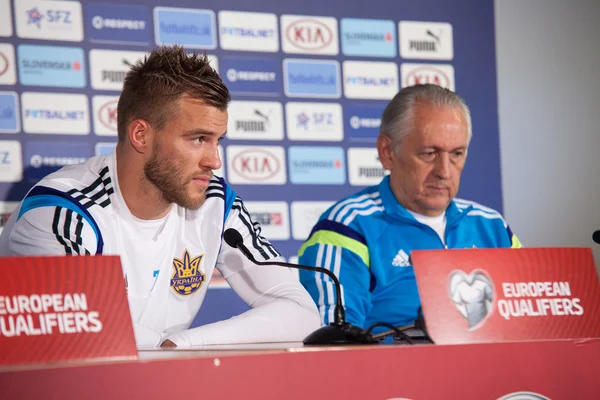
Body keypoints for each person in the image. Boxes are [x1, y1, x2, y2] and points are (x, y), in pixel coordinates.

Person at [0, 45, 320, 349]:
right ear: (141, 135)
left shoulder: (215, 203)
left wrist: (181, 345)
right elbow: (81, 330)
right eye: (198, 139)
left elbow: (300, 312)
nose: (214, 161)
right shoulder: (62, 211)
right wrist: (171, 350)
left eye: (217, 140)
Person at [298, 84, 522, 331]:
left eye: (456, 154)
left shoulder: (493, 227)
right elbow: (334, 341)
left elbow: (532, 320)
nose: (444, 172)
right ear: (388, 153)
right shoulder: (348, 226)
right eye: (429, 153)